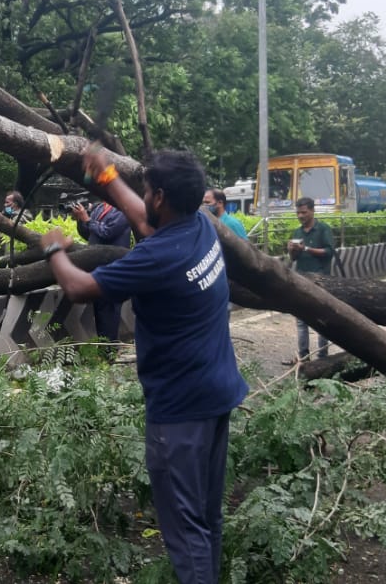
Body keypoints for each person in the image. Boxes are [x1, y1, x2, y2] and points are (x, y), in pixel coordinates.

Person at [42, 149, 248, 584]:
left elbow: (80, 288)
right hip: (216, 397)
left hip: (180, 413)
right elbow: (143, 220)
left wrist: (56, 250)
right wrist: (109, 175)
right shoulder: (200, 228)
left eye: (148, 191)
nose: (145, 198)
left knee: (185, 530)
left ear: (159, 198)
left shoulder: (157, 258)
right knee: (205, 520)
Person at [69, 193, 131, 342]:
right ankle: (104, 347)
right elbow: (88, 234)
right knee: (99, 308)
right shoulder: (99, 208)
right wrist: (80, 220)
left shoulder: (122, 210)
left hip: (114, 266)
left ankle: (109, 349)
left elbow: (108, 232)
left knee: (111, 307)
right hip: (97, 266)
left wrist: (87, 220)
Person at [289, 197, 334, 361]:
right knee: (301, 321)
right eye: (298, 212)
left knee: (321, 320)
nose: (300, 216)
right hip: (301, 279)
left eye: (304, 212)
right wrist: (293, 250)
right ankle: (303, 355)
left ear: (312, 211)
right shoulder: (297, 232)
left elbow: (329, 252)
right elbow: (294, 258)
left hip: (321, 280)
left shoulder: (323, 230)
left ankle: (323, 356)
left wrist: (306, 248)